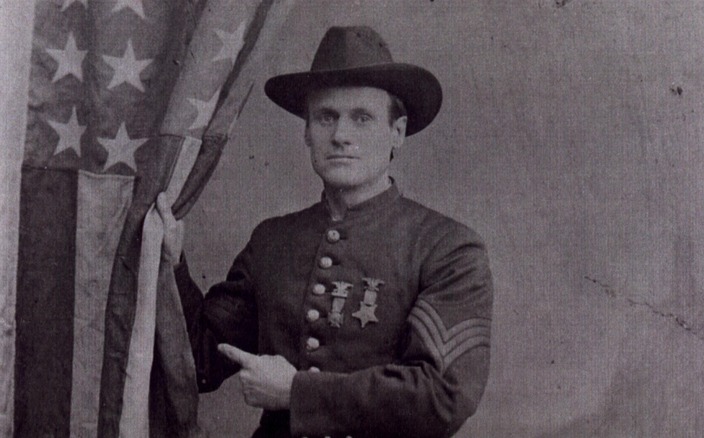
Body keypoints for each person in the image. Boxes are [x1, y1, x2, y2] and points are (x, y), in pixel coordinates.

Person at [156, 26, 493, 438]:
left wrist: (298, 393)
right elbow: (199, 362)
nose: (340, 136)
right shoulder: (272, 241)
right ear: (307, 132)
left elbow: (443, 396)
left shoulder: (447, 248)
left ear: (397, 133)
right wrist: (169, 264)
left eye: (362, 118)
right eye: (326, 117)